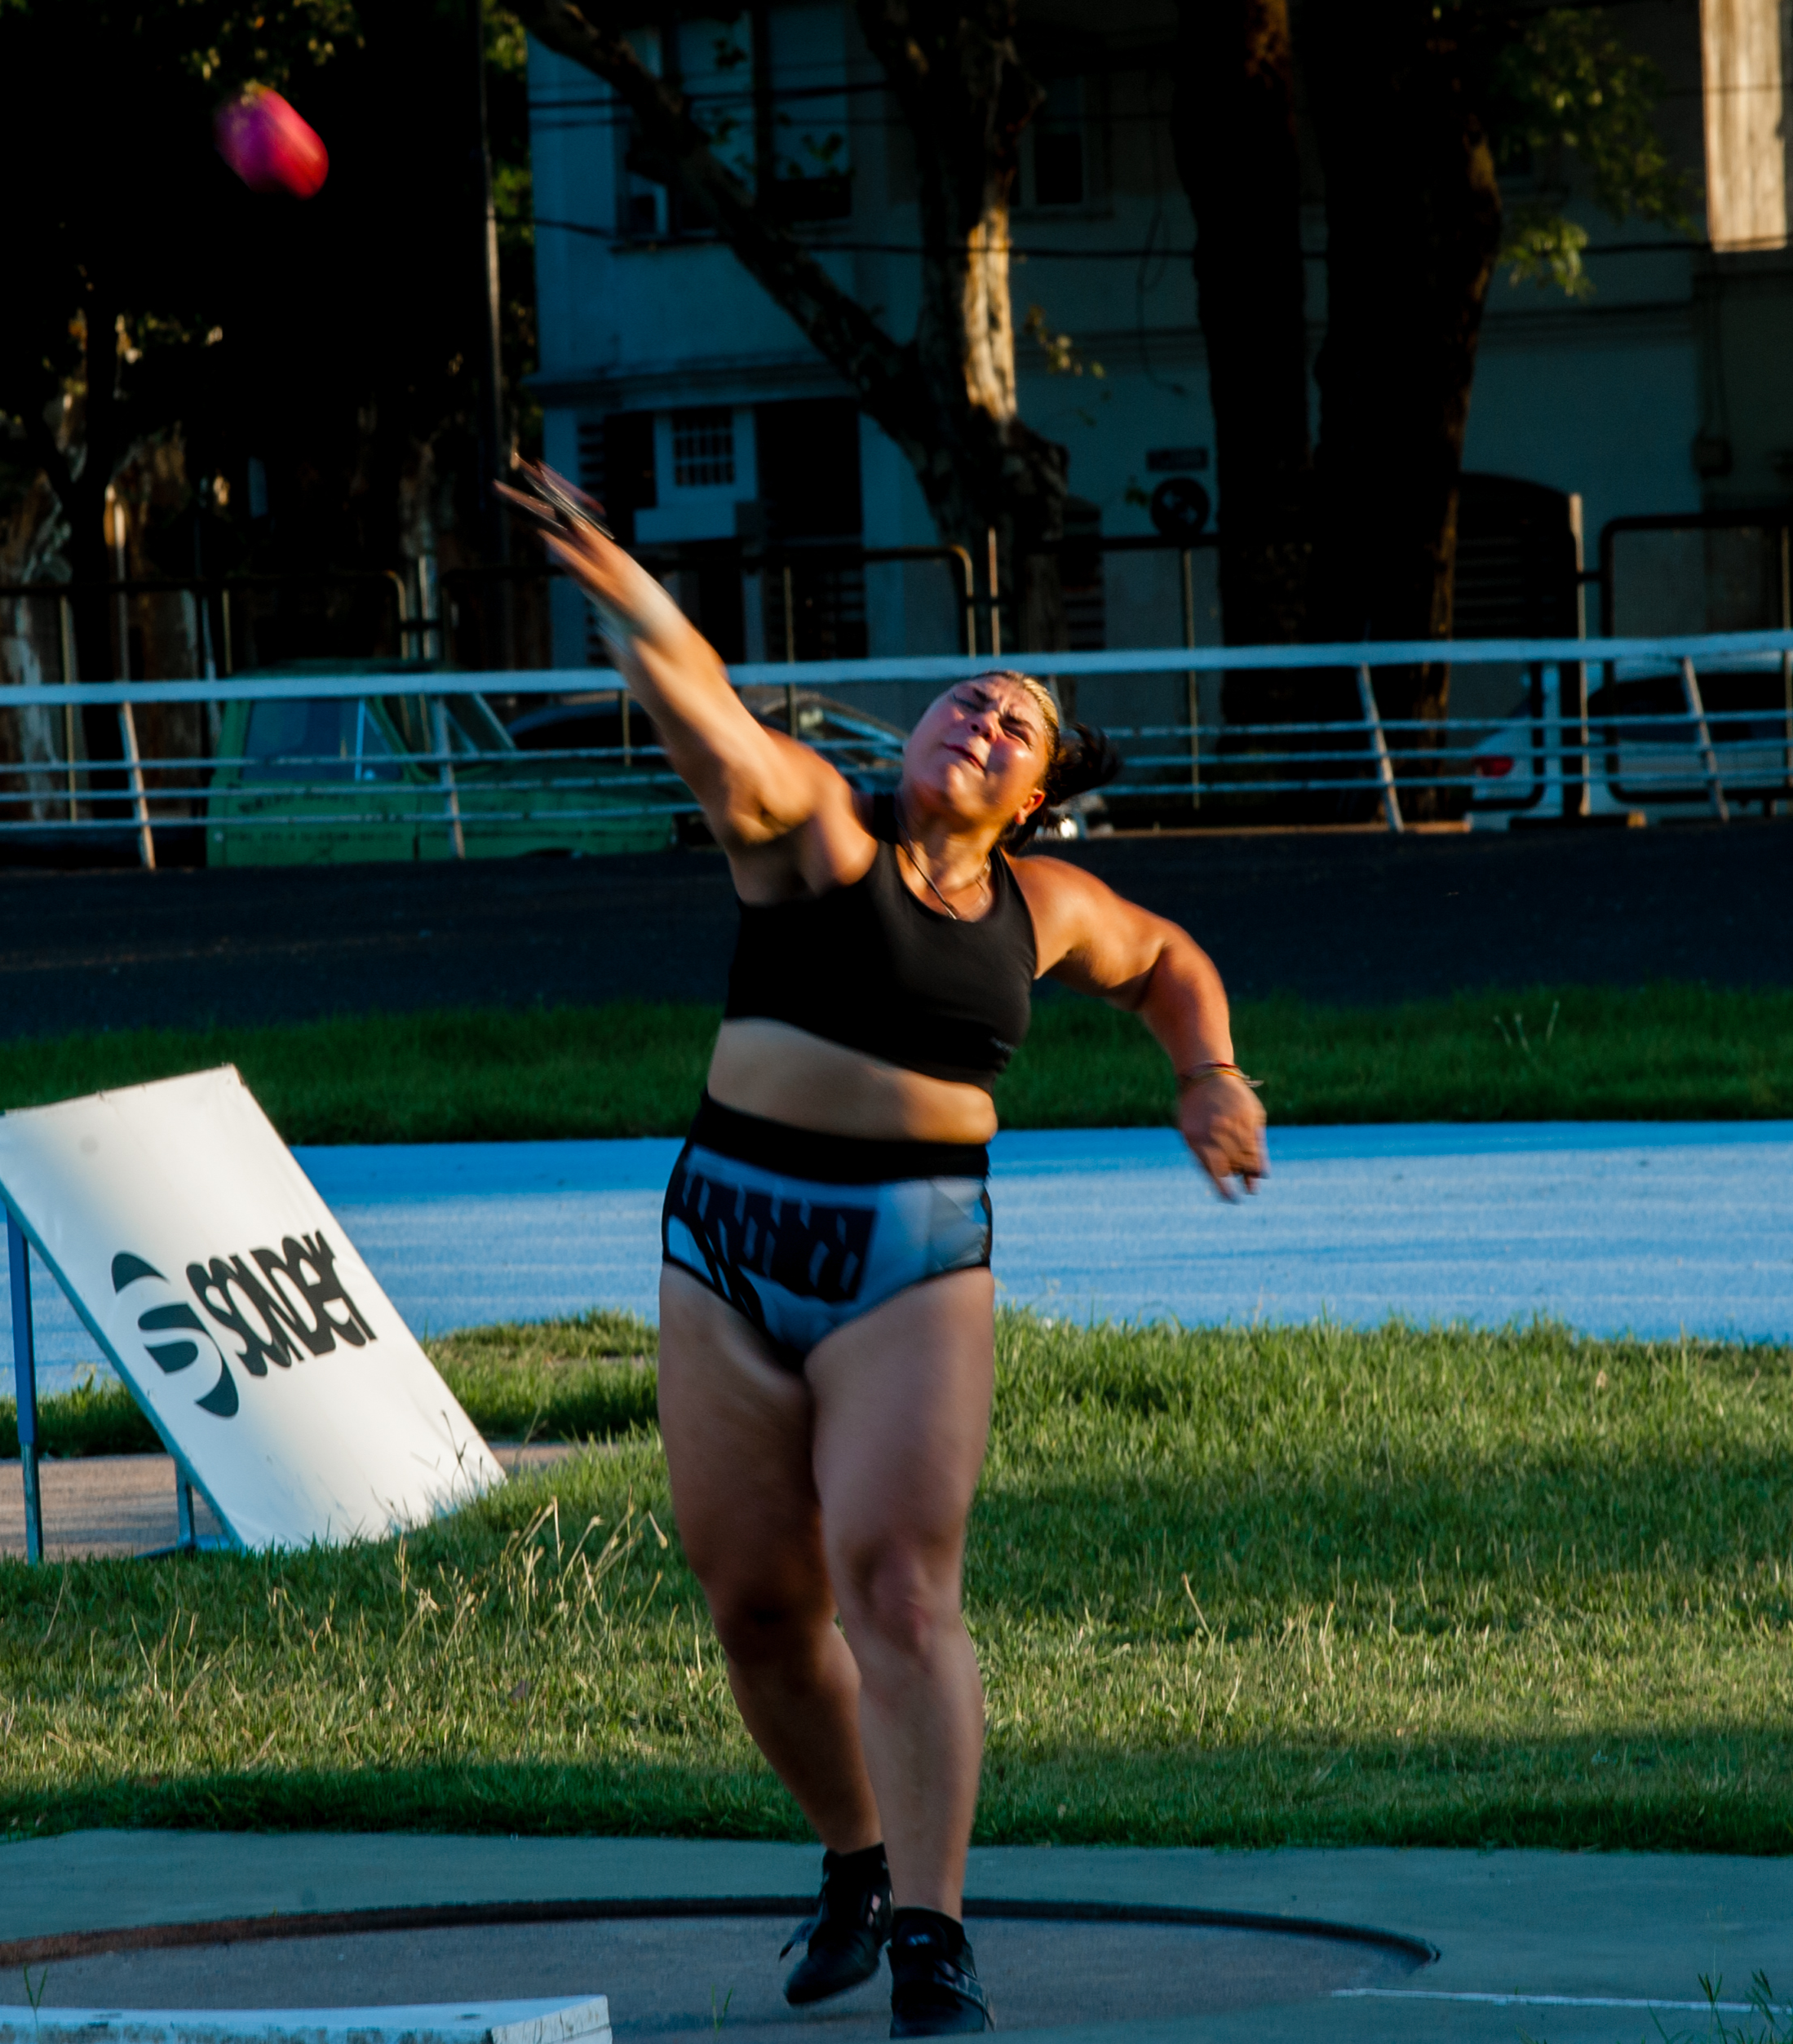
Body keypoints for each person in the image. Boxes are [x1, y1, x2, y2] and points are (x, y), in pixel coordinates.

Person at [506, 465, 1268, 2037]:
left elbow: (1168, 960)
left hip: (906, 1258)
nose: (977, 718)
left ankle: (932, 1933)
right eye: (959, 699)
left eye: (1014, 722)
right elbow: (708, 718)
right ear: (906, 735)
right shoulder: (811, 834)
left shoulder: (1040, 906)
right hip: (722, 1236)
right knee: (755, 1605)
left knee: (897, 1593)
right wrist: (630, 596)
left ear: (1034, 793)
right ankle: (853, 1861)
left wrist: (1204, 1070)